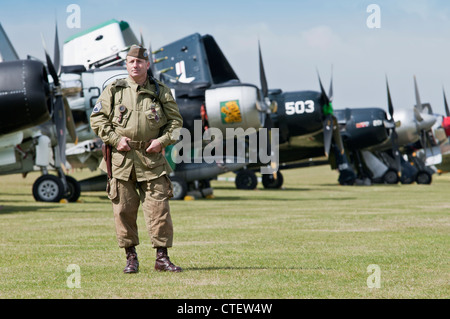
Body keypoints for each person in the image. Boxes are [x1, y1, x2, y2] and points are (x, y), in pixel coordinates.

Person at [90, 45, 183, 273]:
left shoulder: (160, 91)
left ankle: (162, 258)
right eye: (131, 62)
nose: (135, 65)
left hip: (152, 160)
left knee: (159, 210)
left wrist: (162, 141)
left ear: (147, 65)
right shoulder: (114, 89)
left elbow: (176, 123)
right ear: (126, 64)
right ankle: (131, 258)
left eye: (140, 62)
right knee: (123, 211)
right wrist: (114, 139)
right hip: (121, 160)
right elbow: (97, 119)